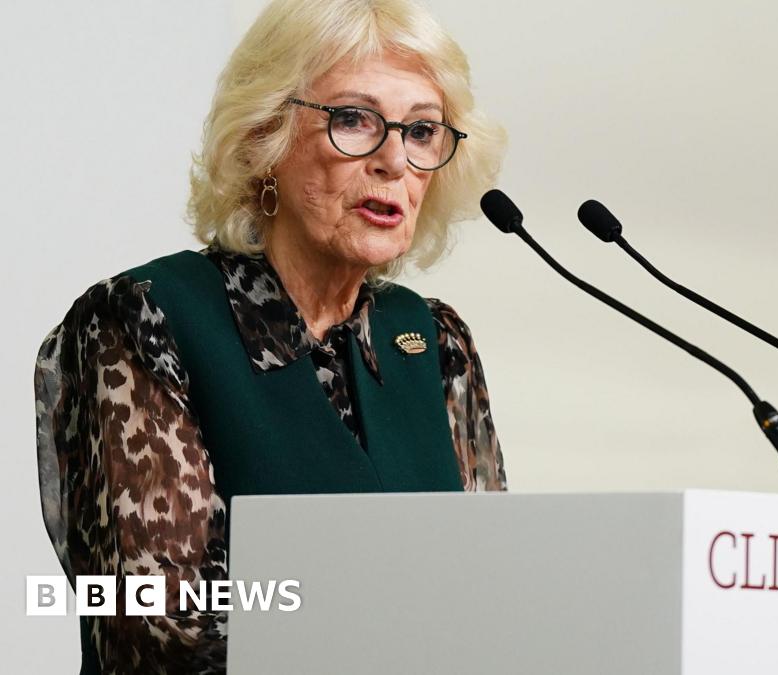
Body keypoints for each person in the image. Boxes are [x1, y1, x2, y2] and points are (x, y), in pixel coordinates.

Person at [33, 1, 508, 672]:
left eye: (423, 131)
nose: (394, 160)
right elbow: (155, 626)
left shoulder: (434, 342)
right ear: (266, 137)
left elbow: (489, 588)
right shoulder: (146, 317)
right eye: (354, 119)